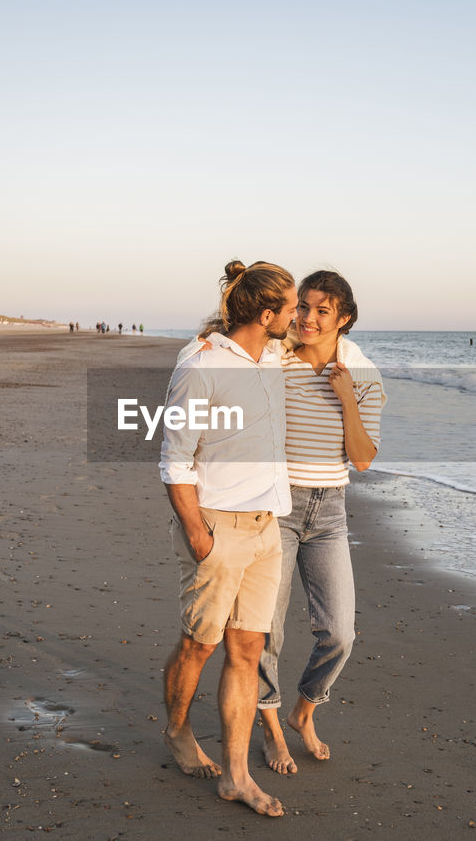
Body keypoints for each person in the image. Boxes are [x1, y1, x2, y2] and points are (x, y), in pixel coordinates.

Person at [159, 259, 298, 817]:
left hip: (268, 529)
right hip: (218, 527)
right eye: (292, 309)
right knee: (200, 644)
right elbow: (174, 459)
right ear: (267, 315)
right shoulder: (201, 366)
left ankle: (236, 776)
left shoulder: (272, 356)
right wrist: (199, 535)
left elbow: (321, 346)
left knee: (248, 650)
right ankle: (176, 730)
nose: (298, 317)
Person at [256, 270, 385, 775]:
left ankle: (303, 710)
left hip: (329, 509)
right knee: (268, 631)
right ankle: (269, 730)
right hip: (277, 507)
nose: (308, 318)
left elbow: (364, 458)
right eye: (303, 307)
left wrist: (347, 398)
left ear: (344, 319)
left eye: (322, 311)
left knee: (340, 633)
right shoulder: (273, 360)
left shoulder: (365, 374)